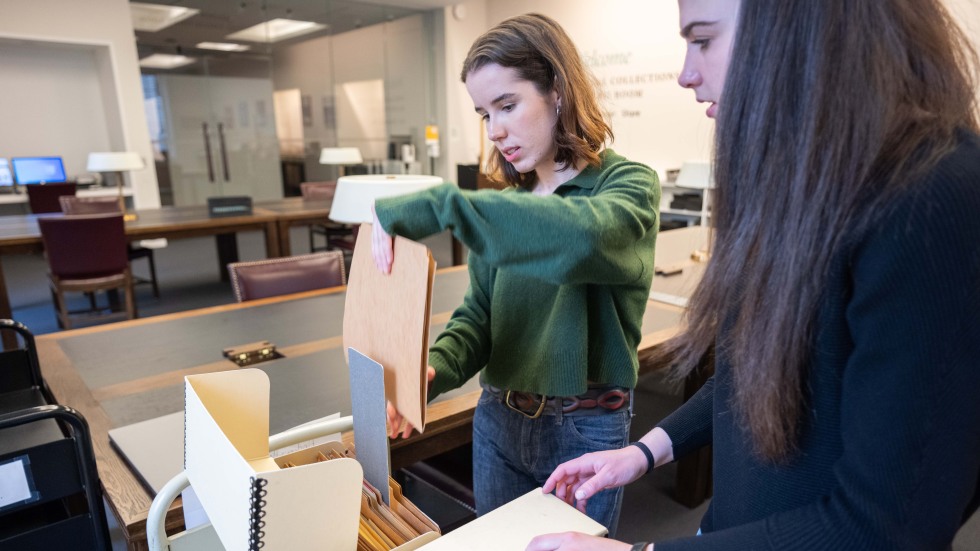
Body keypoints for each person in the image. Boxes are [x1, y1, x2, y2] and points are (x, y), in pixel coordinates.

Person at [527, 0, 980, 549]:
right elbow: (752, 373)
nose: (686, 73)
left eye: (705, 40)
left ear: (801, 27)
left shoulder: (930, 196)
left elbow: (884, 527)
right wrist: (643, 452)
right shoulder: (803, 183)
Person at [370, 13, 660, 534]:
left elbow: (579, 239)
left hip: (586, 430)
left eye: (507, 105)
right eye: (484, 113)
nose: (495, 130)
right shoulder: (507, 208)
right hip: (499, 420)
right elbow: (479, 318)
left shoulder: (628, 186)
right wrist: (433, 370)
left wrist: (444, 205)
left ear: (558, 92)